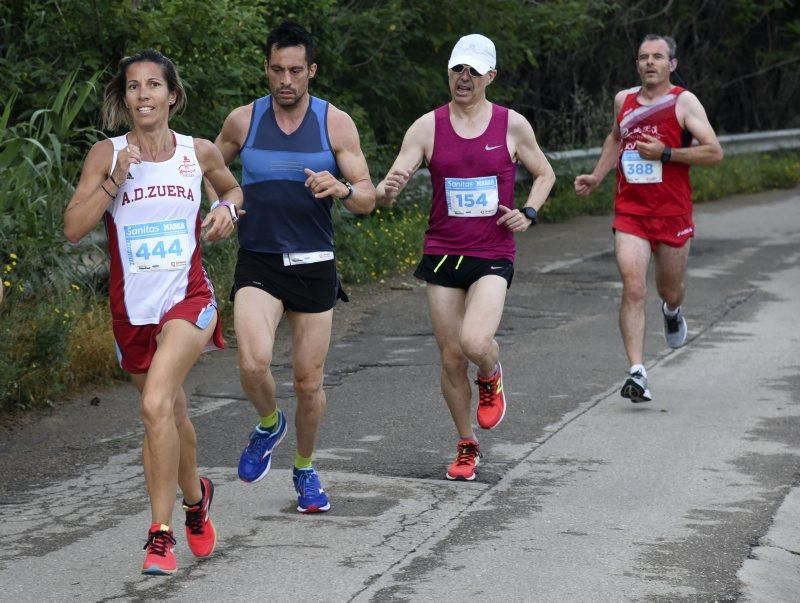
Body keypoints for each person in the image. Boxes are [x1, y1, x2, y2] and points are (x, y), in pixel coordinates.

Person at [64, 49, 243, 575]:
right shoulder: (107, 154)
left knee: (156, 406)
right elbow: (74, 228)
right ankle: (195, 498)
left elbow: (231, 189)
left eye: (153, 85)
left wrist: (226, 209)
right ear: (125, 98)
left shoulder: (198, 151)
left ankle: (159, 535)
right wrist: (115, 178)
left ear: (172, 95)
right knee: (170, 414)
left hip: (188, 298)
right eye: (133, 87)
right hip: (132, 312)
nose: (143, 94)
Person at [376, 34, 556, 481]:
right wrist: (388, 191)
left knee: (475, 343)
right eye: (459, 68)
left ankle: (491, 373)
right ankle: (466, 442)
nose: (464, 77)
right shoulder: (426, 127)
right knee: (452, 356)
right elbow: (385, 189)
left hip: (493, 250)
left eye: (474, 71)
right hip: (443, 251)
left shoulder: (511, 125)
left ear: (490, 77)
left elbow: (545, 172)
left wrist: (528, 212)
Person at [212, 21, 375, 513]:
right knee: (251, 361)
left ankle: (304, 467)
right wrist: (220, 205)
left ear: (312, 72)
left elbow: (367, 196)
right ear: (266, 69)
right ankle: (268, 424)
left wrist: (343, 189)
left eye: (296, 71)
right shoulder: (243, 120)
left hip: (314, 263)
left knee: (308, 382)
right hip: (259, 259)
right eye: (278, 70)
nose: (286, 80)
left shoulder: (335, 122)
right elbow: (201, 168)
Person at [574, 34, 723, 403]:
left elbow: (714, 152)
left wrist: (667, 153)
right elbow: (614, 139)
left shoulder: (683, 101)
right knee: (633, 286)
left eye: (658, 57)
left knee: (667, 289)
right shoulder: (623, 100)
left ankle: (672, 311)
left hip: (672, 212)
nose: (650, 63)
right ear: (637, 64)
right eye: (644, 57)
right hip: (631, 211)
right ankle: (637, 372)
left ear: (672, 64)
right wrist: (597, 175)